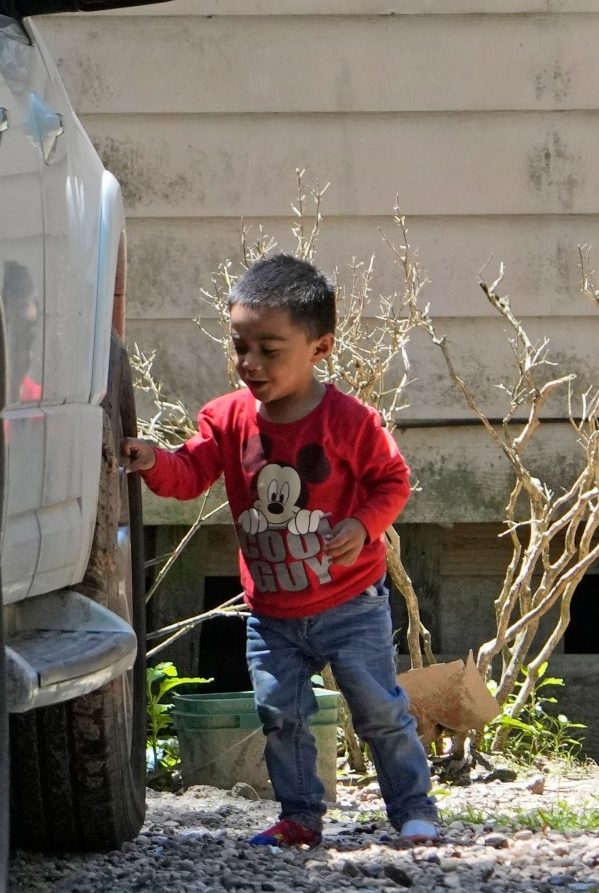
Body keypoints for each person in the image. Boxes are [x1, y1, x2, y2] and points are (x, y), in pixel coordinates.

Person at [125, 254, 435, 848]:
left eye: (270, 349)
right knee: (281, 716)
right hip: (271, 613)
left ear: (319, 348)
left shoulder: (348, 421)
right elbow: (189, 475)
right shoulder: (227, 418)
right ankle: (300, 818)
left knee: (378, 712)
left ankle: (414, 811)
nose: (250, 364)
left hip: (351, 605)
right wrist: (152, 461)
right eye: (240, 347)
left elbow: (392, 481)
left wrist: (365, 526)